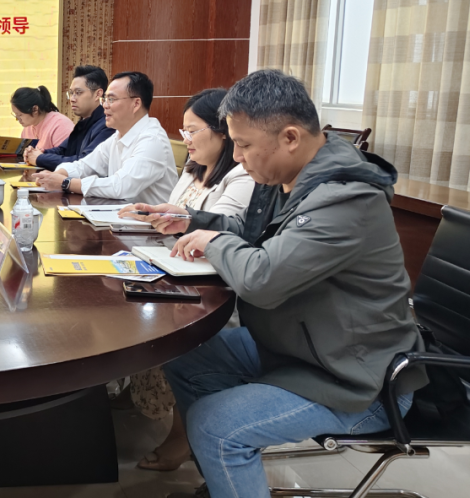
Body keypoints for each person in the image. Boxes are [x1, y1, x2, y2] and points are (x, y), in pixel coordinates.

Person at [133, 70, 427, 498]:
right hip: (302, 349)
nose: (237, 157)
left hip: (358, 381)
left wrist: (214, 242)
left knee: (216, 425)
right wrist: (194, 221)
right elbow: (254, 232)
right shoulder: (291, 176)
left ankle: (224, 446)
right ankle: (226, 472)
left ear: (290, 137)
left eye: (244, 144)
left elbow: (262, 279)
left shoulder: (346, 198)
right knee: (189, 354)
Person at [116, 88, 254, 472]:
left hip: (217, 291)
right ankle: (139, 393)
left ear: (223, 133)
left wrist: (180, 223)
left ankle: (181, 434)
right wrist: (156, 216)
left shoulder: (242, 175)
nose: (186, 140)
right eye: (184, 131)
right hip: (179, 269)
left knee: (154, 320)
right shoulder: (193, 168)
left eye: (193, 131)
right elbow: (178, 217)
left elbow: (222, 232)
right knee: (123, 300)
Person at [33, 71, 177, 204]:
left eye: (112, 99)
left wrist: (66, 183)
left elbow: (120, 186)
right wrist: (56, 176)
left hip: (151, 222)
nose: (105, 106)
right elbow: (85, 165)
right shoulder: (118, 136)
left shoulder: (152, 140)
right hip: (121, 217)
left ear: (136, 104)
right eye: (105, 99)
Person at [23, 65, 115, 170]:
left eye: (78, 93)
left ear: (98, 94)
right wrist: (36, 153)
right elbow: (63, 150)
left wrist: (40, 158)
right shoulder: (84, 121)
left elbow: (85, 162)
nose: (72, 99)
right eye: (71, 93)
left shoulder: (107, 125)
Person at [10, 84, 74, 152]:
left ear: (35, 109)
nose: (17, 119)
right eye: (15, 115)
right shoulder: (27, 128)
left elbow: (67, 156)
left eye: (19, 115)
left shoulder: (60, 125)